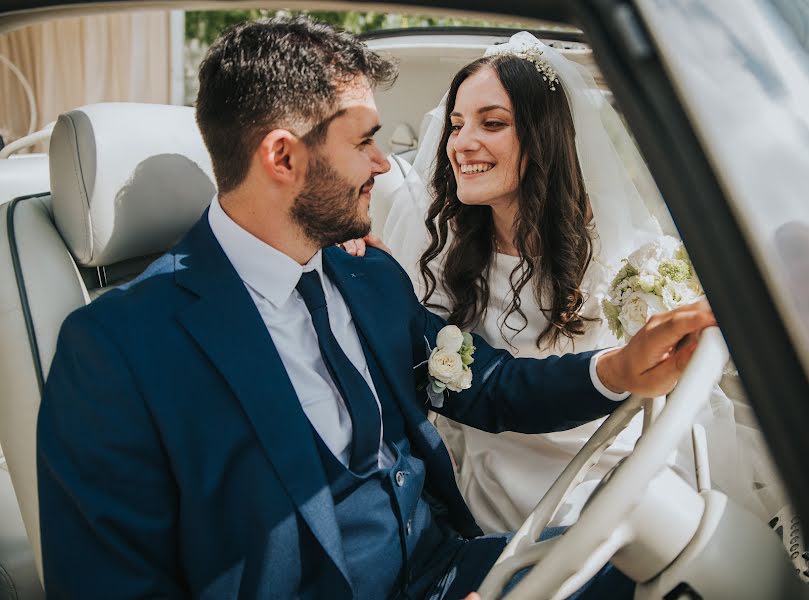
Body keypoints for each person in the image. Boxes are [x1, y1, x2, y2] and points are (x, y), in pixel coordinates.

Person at [37, 18, 715, 600]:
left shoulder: (368, 276)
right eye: (363, 141)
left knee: (687, 569)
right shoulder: (116, 350)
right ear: (282, 157)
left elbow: (485, 386)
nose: (385, 167)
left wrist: (618, 370)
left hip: (450, 567)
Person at [374, 32, 771, 534]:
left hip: (609, 452)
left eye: (491, 123)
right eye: (456, 125)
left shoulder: (616, 253)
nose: (461, 143)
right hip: (494, 458)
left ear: (542, 137)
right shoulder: (439, 247)